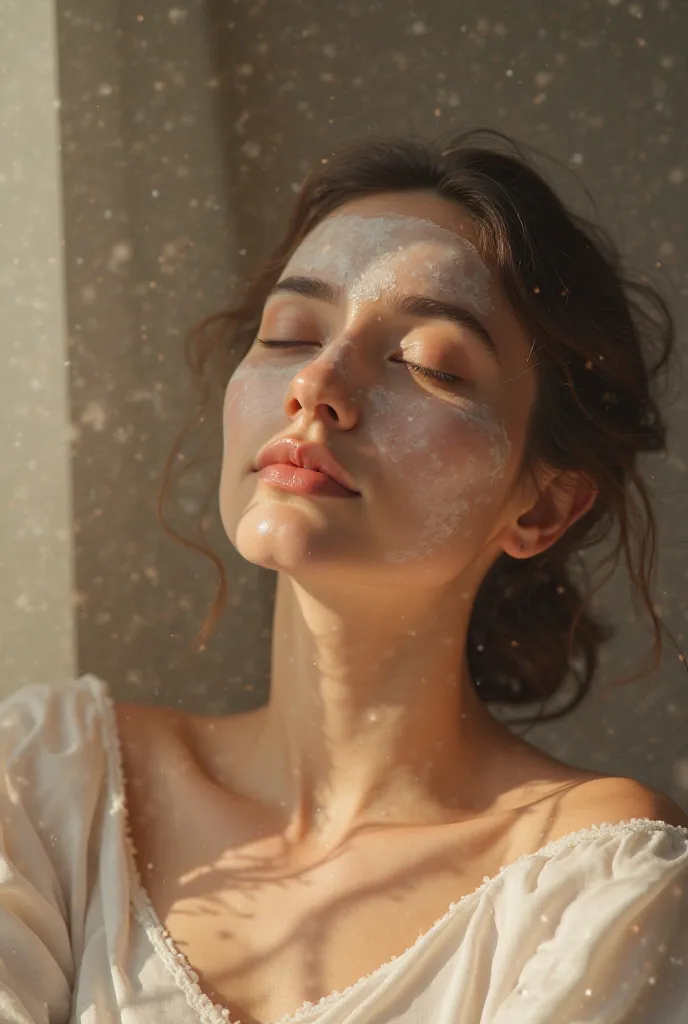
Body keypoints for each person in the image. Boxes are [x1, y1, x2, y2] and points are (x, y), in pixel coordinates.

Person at [1, 129, 688, 1024]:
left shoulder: (596, 881)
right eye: (289, 334)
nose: (318, 383)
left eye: (429, 363)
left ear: (543, 508)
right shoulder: (51, 780)